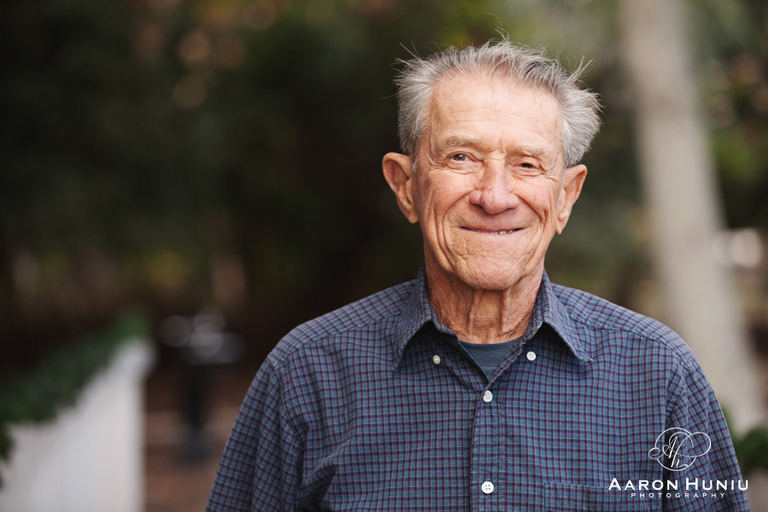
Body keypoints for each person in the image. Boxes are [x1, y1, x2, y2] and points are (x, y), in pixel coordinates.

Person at [206, 39, 749, 511]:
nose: (494, 196)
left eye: (527, 164)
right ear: (405, 185)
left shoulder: (659, 374)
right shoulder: (306, 375)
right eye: (462, 157)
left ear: (565, 197)